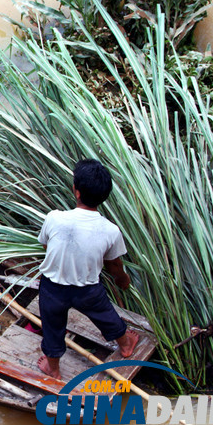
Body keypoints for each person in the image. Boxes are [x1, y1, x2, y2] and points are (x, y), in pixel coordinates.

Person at [36, 158, 139, 379]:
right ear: (105, 196)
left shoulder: (54, 218)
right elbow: (114, 264)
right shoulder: (111, 231)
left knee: (52, 327)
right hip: (88, 290)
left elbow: (47, 245)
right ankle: (125, 345)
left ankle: (53, 369)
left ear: (76, 191)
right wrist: (122, 280)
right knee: (105, 315)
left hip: (53, 288)